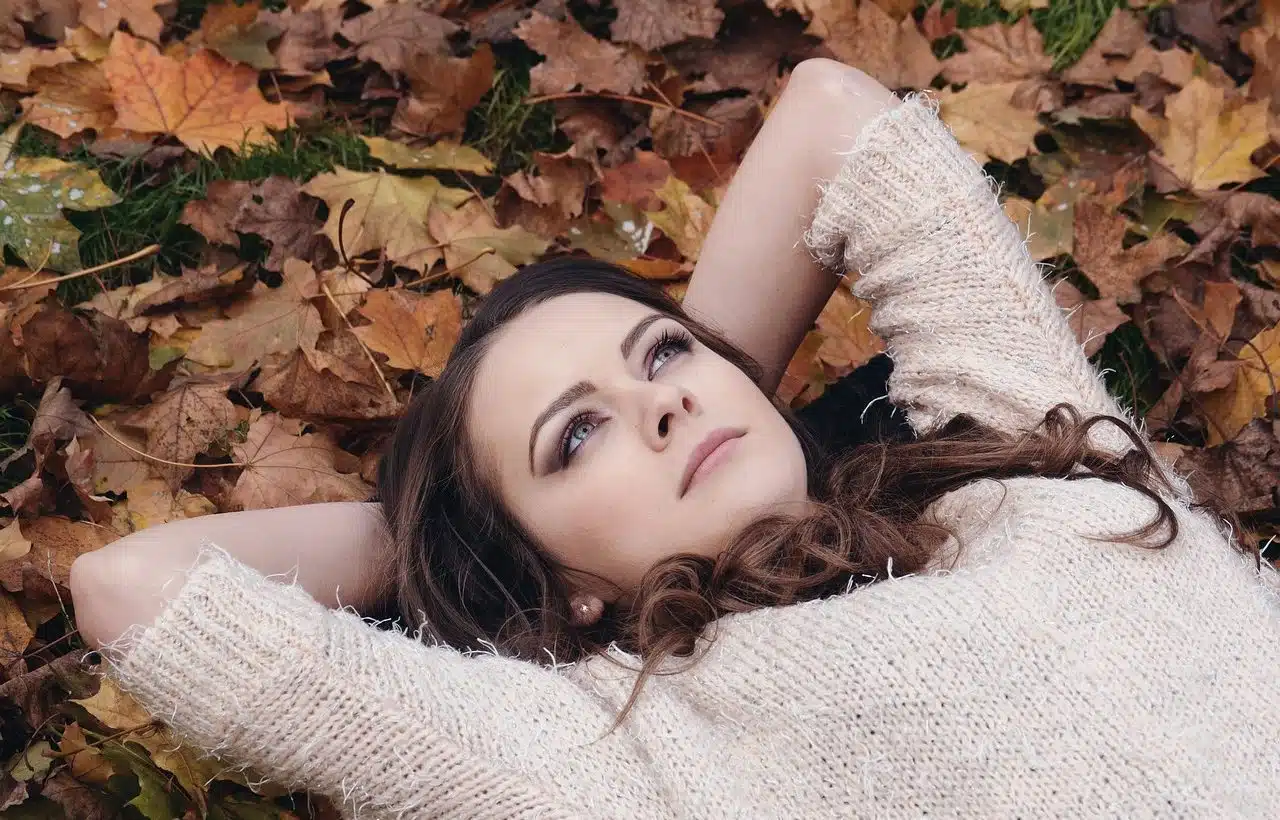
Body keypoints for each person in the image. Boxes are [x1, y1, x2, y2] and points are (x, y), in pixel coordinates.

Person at [69, 59, 1280, 819]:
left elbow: (828, 116)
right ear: (553, 584)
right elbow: (133, 588)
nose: (661, 399)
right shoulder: (613, 747)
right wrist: (446, 542)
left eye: (662, 358)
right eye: (575, 435)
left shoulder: (1008, 453)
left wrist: (706, 385)